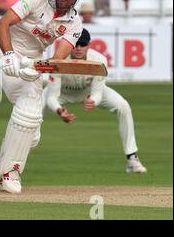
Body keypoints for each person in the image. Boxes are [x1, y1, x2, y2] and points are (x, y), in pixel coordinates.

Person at [0, 0, 85, 194]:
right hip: (6, 53)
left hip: (34, 62)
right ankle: (9, 172)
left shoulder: (75, 24)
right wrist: (10, 55)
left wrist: (39, 68)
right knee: (29, 108)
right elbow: (2, 24)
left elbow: (58, 58)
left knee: (32, 135)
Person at [44, 28, 147, 174]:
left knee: (123, 106)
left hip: (88, 92)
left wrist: (93, 100)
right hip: (62, 93)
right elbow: (52, 97)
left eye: (83, 44)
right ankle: (16, 163)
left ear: (89, 45)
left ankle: (132, 158)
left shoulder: (99, 61)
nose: (79, 48)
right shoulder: (59, 59)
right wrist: (59, 110)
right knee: (31, 113)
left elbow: (98, 92)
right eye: (76, 44)